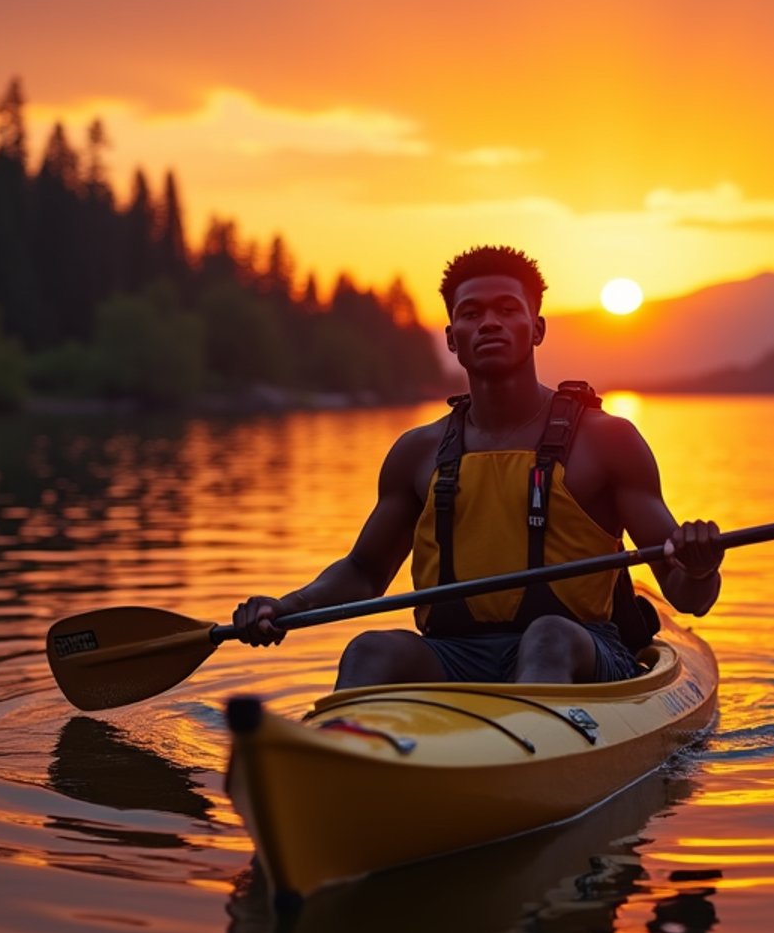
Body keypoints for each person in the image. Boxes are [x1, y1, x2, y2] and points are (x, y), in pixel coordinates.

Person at [234, 246, 723, 687]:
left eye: (507, 310)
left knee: (547, 636)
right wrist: (287, 607)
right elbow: (364, 572)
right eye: (471, 313)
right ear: (452, 338)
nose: (489, 323)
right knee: (370, 649)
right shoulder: (417, 452)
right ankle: (344, 758)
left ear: (536, 329)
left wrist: (701, 568)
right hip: (455, 657)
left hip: (585, 654)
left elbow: (689, 596)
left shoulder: (607, 441)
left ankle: (534, 768)